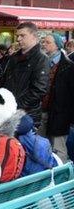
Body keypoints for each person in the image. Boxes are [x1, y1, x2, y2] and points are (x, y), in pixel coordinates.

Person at [0, 22, 49, 128]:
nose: (18, 39)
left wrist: (15, 104)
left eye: (22, 35)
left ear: (34, 36)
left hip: (27, 116)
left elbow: (39, 90)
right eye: (17, 36)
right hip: (8, 112)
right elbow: (5, 81)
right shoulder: (14, 57)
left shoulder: (41, 59)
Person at [39, 33, 74, 162]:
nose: (44, 45)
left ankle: (62, 176)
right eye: (44, 42)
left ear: (57, 46)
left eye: (48, 42)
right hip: (42, 111)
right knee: (41, 147)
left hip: (60, 114)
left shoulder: (69, 66)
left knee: (58, 148)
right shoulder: (42, 62)